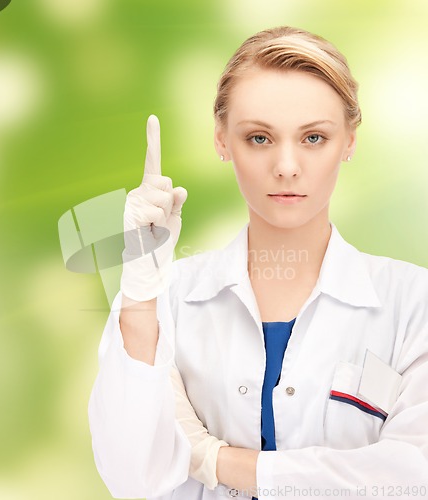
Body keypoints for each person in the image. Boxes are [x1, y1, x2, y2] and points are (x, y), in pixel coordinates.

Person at [88, 26, 428, 500]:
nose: (287, 166)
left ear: (349, 142)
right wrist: (142, 295)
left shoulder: (414, 304)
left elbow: (412, 475)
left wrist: (214, 458)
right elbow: (132, 479)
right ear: (222, 141)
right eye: (259, 138)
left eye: (313, 137)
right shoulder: (167, 296)